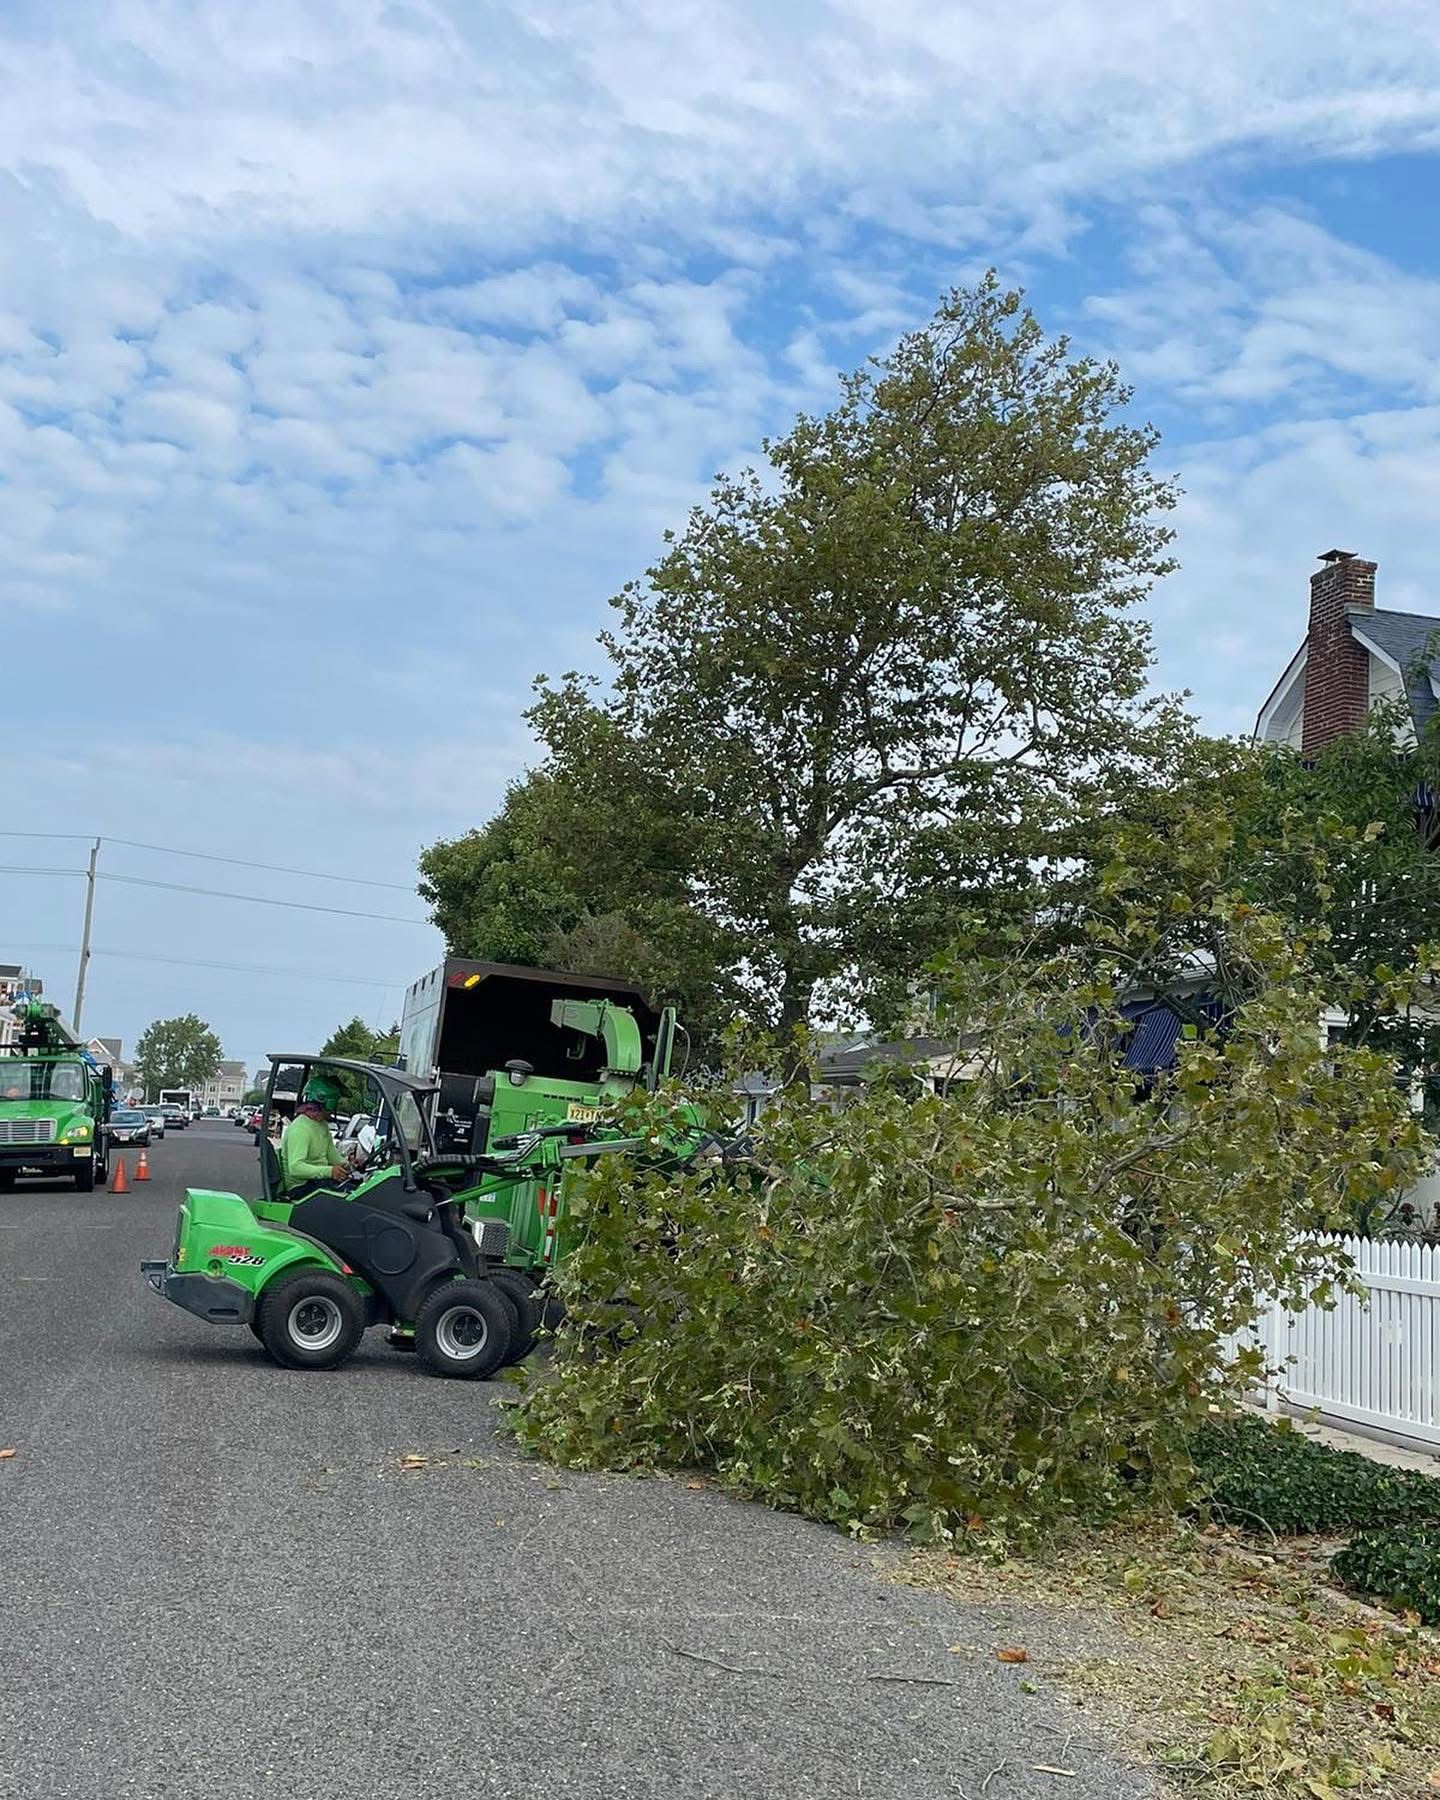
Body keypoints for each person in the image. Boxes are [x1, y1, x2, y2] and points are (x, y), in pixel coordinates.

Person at [278, 1076, 350, 1199]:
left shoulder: (322, 1125)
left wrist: (348, 1164)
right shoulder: (300, 1129)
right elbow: (295, 1168)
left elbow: (331, 1155)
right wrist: (329, 1171)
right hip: (300, 1188)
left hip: (318, 1182)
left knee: (355, 1190)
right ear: (328, 1102)